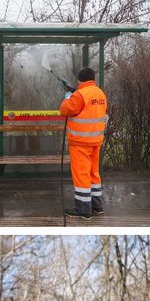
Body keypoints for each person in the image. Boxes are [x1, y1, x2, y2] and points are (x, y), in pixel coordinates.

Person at [59, 67, 107, 219]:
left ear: (80, 80)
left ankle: (83, 210)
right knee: (94, 173)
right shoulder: (100, 93)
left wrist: (68, 97)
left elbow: (65, 110)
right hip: (96, 141)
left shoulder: (79, 95)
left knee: (81, 175)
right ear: (92, 79)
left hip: (80, 142)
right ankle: (97, 206)